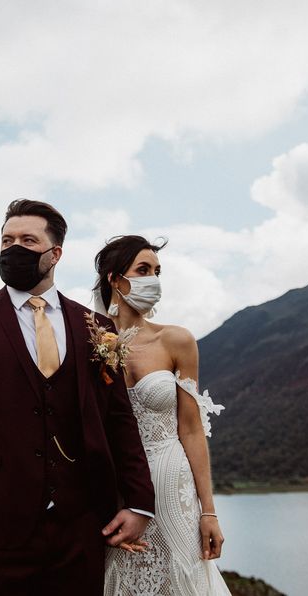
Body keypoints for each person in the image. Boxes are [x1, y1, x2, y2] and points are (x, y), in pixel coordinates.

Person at [0, 200, 157, 596]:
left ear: (54, 254)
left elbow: (119, 420)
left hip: (81, 528)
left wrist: (139, 502)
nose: (13, 248)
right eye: (6, 240)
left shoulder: (96, 327)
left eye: (27, 239)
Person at [94, 235, 231, 596]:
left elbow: (191, 429)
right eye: (143, 270)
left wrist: (208, 511)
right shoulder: (89, 342)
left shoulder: (177, 341)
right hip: (118, 492)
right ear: (114, 279)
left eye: (157, 271)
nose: (153, 279)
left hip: (174, 487)